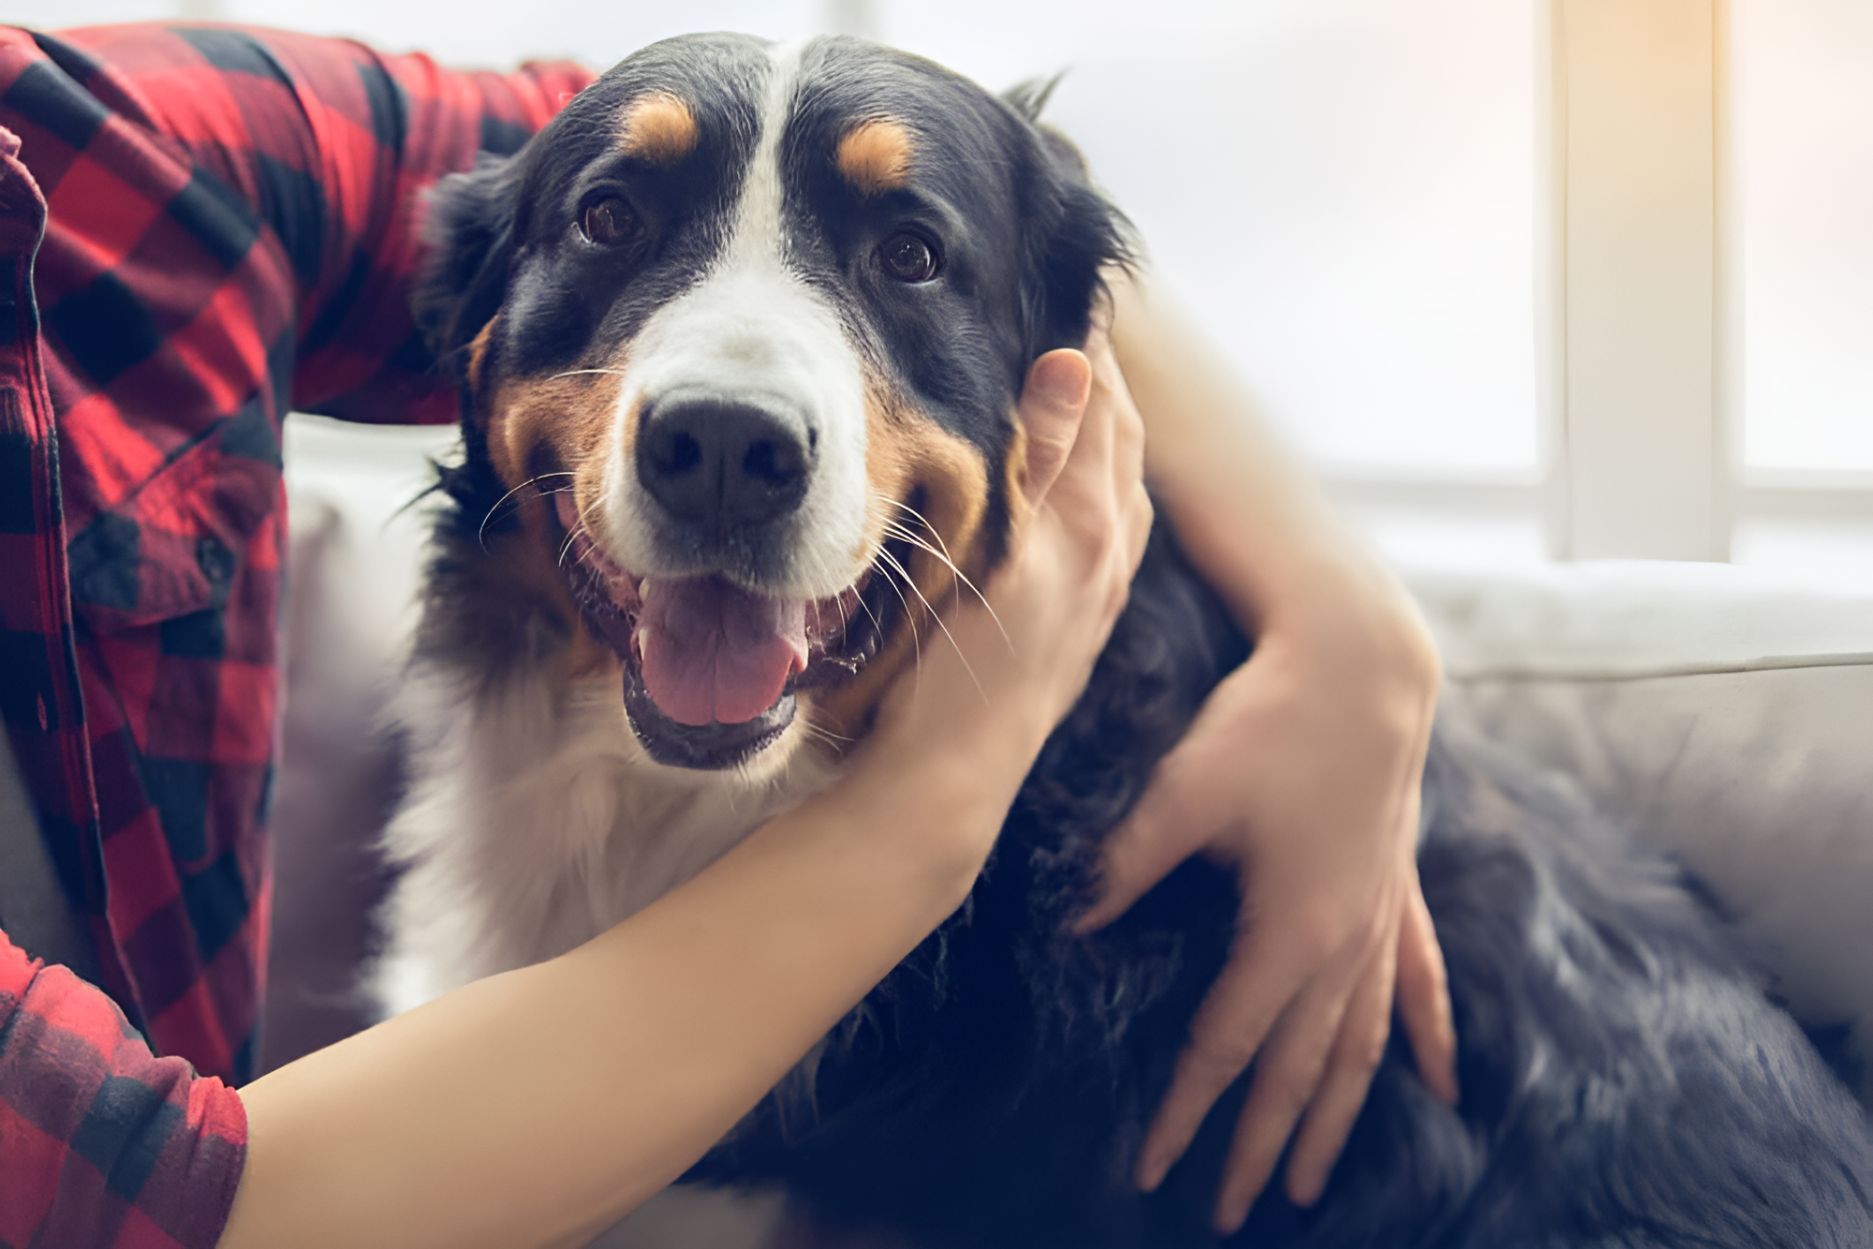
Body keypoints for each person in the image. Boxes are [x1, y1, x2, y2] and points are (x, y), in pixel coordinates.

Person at [0, 22, 1453, 1248]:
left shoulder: (97, 145)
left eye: (907, 252)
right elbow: (202, 1203)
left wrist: (1350, 625)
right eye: (617, 229)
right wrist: (932, 801)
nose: (727, 409)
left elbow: (816, 142)